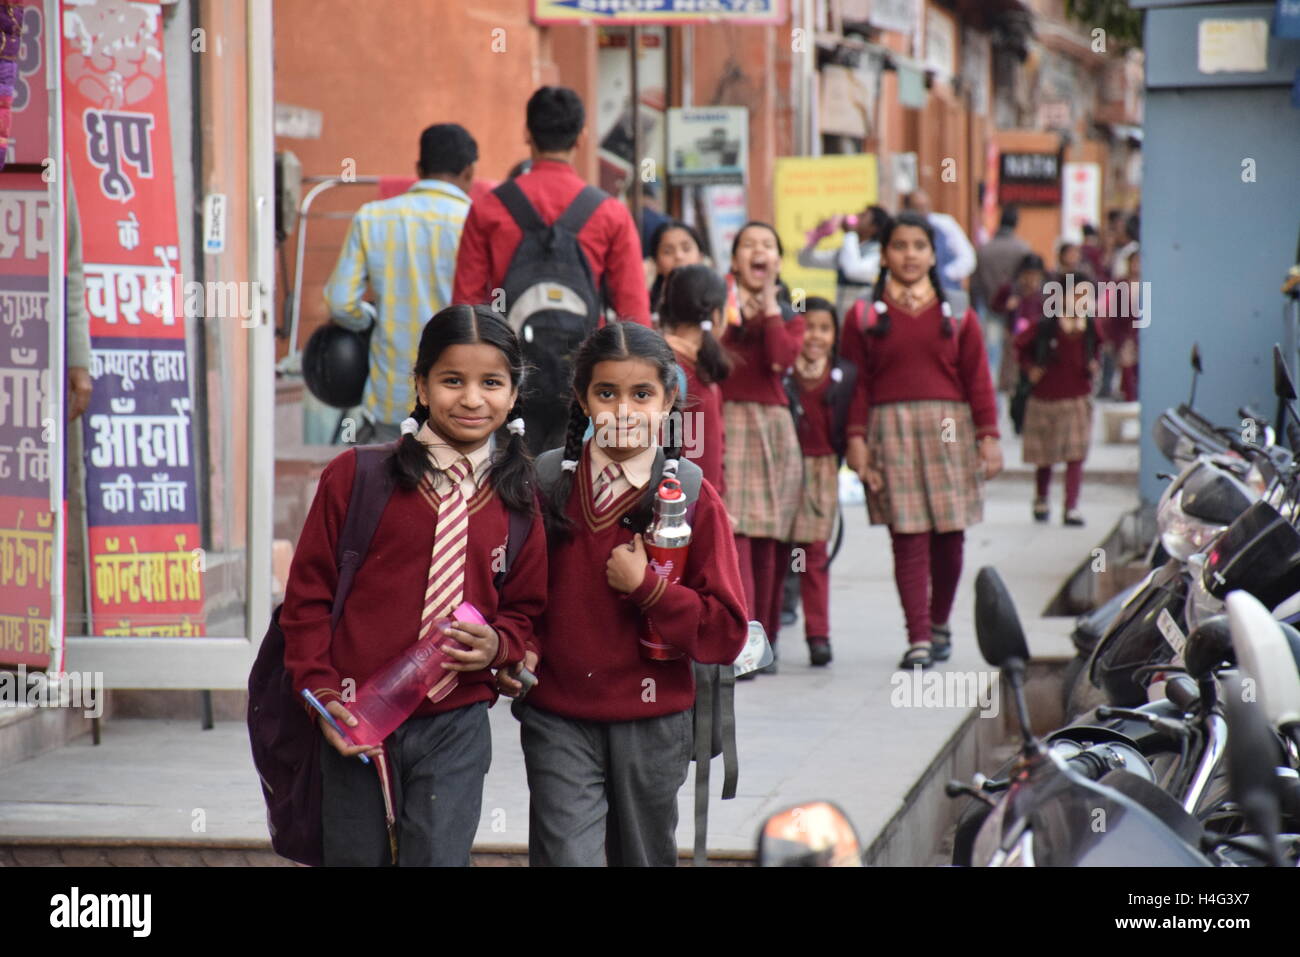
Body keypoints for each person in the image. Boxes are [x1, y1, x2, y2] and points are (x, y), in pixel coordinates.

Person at [280, 305, 548, 866]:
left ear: (513, 393)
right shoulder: (357, 477)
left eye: (491, 383)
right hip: (356, 717)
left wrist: (500, 645)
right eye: (453, 381)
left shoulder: (519, 498)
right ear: (421, 387)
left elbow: (525, 609)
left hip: (456, 722)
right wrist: (327, 698)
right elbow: (307, 600)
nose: (472, 399)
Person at [504, 320, 747, 867]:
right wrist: (520, 642)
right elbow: (519, 593)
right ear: (583, 400)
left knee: (642, 856)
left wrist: (650, 591)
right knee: (568, 855)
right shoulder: (546, 484)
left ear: (670, 402)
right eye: (606, 393)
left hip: (654, 722)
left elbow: (727, 630)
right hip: (558, 716)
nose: (623, 410)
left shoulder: (691, 496)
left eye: (642, 394)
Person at [840, 211, 1002, 670]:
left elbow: (978, 380)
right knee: (906, 536)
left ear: (932, 254)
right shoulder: (863, 315)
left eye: (918, 246)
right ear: (885, 254)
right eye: (899, 246)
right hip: (889, 432)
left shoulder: (960, 310)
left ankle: (940, 622)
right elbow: (857, 384)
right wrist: (855, 439)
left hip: (951, 431)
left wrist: (988, 436)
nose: (909, 255)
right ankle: (917, 638)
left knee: (950, 537)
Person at [323, 123, 478, 443]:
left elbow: (340, 303)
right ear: (469, 172)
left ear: (419, 169)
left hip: (390, 402)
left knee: (389, 491)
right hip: (460, 404)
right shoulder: (477, 222)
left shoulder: (372, 217)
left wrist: (370, 319)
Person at [453, 86, 651, 326]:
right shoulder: (611, 212)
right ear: (581, 138)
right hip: (586, 357)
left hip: (509, 357)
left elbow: (466, 307)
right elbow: (633, 310)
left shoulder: (488, 207)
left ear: (527, 134)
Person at [718, 222, 805, 672]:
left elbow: (779, 359)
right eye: (748, 245)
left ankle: (765, 641)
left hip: (771, 428)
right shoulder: (719, 309)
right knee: (738, 538)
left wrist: (770, 304)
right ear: (734, 261)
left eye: (768, 245)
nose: (758, 251)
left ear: (778, 261)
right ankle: (741, 643)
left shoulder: (790, 315)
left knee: (769, 539)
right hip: (727, 420)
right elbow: (714, 355)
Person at [783, 297, 857, 667]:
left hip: (823, 470)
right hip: (780, 468)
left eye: (824, 328)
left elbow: (853, 428)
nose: (815, 336)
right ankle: (769, 626)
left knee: (813, 554)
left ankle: (818, 635)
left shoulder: (845, 376)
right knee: (775, 551)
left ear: (835, 335)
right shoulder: (781, 374)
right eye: (807, 326)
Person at [1015, 282, 1101, 526]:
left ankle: (1071, 506)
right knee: (1045, 454)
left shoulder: (1090, 326)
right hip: (1045, 398)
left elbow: (1097, 349)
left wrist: (1093, 364)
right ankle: (1041, 498)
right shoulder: (1046, 326)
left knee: (1076, 455)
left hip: (1076, 398)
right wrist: (1031, 369)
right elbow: (1020, 346)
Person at [658, 264, 730, 495]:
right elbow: (704, 456)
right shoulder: (685, 372)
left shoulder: (659, 362)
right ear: (717, 315)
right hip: (688, 506)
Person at [797, 204, 892, 318]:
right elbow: (805, 260)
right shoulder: (848, 250)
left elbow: (853, 271)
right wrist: (818, 235)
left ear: (874, 227)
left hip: (864, 318)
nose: (856, 217)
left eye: (863, 216)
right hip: (842, 316)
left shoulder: (878, 254)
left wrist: (850, 233)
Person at [991, 253, 1048, 398]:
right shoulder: (1010, 289)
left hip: (1035, 340)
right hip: (1013, 339)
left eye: (1035, 275)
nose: (1031, 279)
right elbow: (994, 306)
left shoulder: (1045, 294)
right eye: (1028, 274)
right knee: (1010, 378)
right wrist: (1006, 306)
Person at [903, 189, 976, 293]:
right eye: (917, 207)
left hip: (944, 289)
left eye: (925, 206)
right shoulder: (901, 229)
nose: (923, 211)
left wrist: (945, 275)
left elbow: (967, 257)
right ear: (908, 208)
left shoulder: (943, 225)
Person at [647, 220, 705, 317]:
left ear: (700, 256)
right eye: (667, 251)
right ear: (656, 263)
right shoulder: (647, 305)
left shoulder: (715, 298)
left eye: (686, 248)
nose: (679, 256)